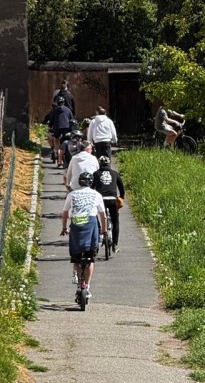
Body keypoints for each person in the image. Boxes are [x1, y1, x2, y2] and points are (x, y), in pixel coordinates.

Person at [61, 170, 107, 299]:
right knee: (90, 258)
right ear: (91, 183)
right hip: (91, 224)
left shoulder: (72, 194)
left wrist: (64, 227)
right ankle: (87, 286)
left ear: (79, 182)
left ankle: (76, 273)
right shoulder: (96, 195)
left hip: (76, 225)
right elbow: (103, 215)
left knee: (76, 255)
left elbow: (65, 213)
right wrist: (104, 230)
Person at [93, 156, 125, 252]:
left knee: (96, 217)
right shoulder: (115, 173)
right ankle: (115, 244)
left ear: (100, 164)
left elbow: (91, 187)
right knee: (115, 221)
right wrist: (122, 197)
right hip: (112, 199)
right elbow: (121, 187)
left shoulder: (96, 174)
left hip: (101, 200)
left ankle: (97, 241)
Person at [50, 95, 75, 168]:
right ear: (64, 103)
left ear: (57, 103)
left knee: (56, 140)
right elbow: (71, 119)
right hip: (66, 128)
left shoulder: (55, 110)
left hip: (57, 128)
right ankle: (65, 154)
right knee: (66, 141)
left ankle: (59, 158)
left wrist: (50, 125)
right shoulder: (68, 110)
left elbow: (51, 120)